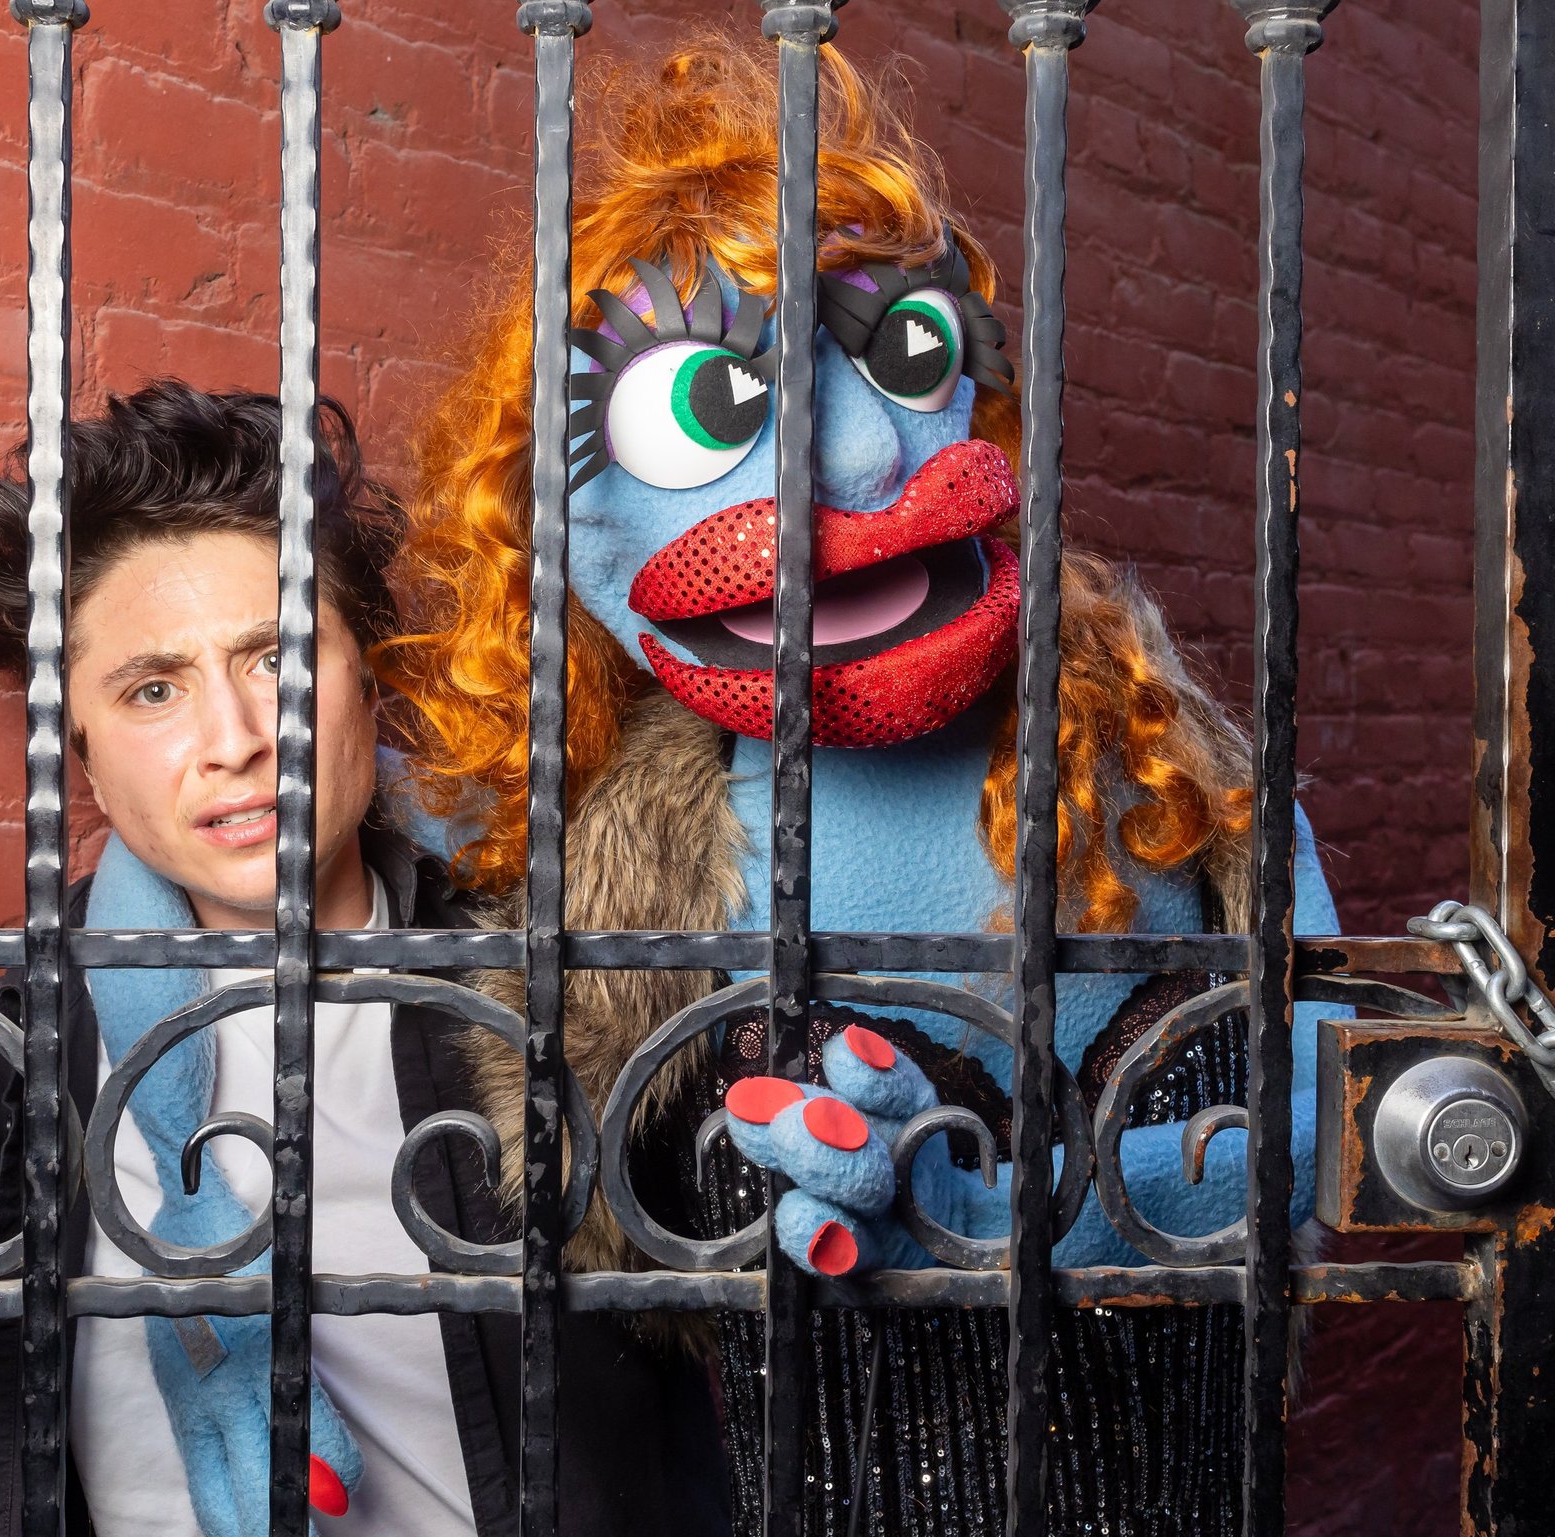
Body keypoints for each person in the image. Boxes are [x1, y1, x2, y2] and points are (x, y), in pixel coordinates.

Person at [378, 39, 1340, 1536]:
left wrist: (988, 1217)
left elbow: (1337, 1122)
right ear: (553, 527)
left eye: (908, 349)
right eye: (709, 402)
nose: (870, 449)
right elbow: (257, 828)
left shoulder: (1172, 774)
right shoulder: (585, 834)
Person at [0, 381, 728, 1536]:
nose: (237, 740)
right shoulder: (0, 1070)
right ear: (86, 758)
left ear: (372, 684)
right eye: (154, 689)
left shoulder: (570, 997)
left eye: (278, 659)